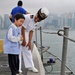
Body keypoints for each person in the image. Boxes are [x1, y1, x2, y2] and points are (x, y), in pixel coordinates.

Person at [19, 7, 49, 73]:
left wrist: (29, 42)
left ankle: (30, 66)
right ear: (36, 13)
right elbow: (22, 29)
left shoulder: (37, 22)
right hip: (18, 31)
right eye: (37, 17)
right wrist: (23, 41)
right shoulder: (27, 18)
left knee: (28, 49)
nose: (37, 19)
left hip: (25, 32)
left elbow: (31, 31)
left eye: (39, 19)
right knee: (18, 50)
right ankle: (18, 69)